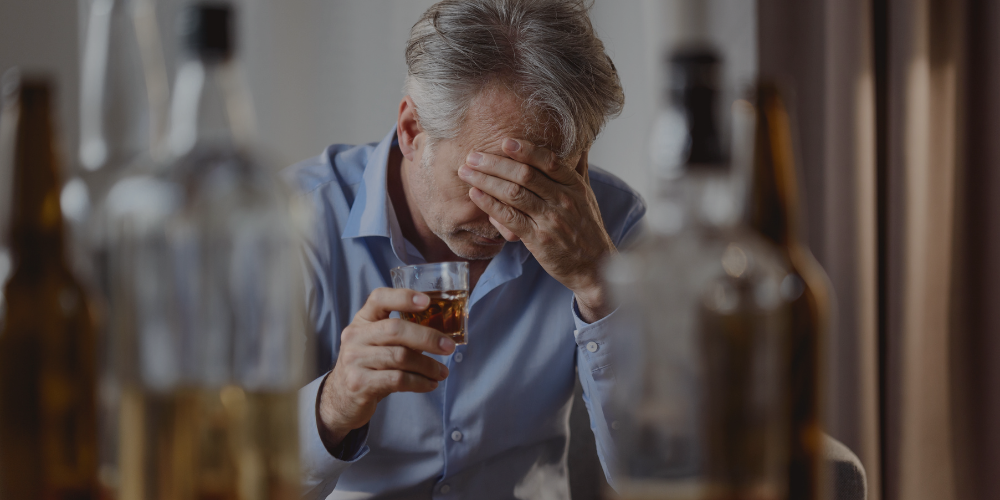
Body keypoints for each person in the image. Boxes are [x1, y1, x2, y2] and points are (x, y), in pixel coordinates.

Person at [287, 1, 645, 498]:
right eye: (488, 182)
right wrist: (333, 404)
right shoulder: (289, 230)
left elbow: (658, 469)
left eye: (540, 187)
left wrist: (598, 284)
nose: (512, 227)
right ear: (413, 131)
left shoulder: (611, 226)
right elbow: (220, 478)